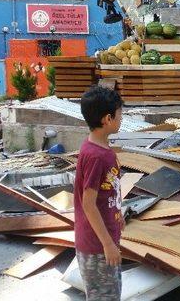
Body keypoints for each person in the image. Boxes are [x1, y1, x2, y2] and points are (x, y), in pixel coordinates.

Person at [74, 86, 124, 300]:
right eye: (120, 114)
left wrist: (117, 215)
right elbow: (88, 203)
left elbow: (107, 192)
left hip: (103, 238)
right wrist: (107, 243)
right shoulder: (96, 157)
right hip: (97, 247)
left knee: (111, 293)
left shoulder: (100, 148)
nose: (122, 118)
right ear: (107, 119)